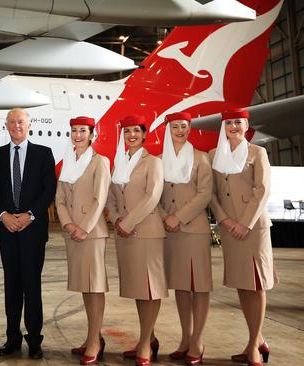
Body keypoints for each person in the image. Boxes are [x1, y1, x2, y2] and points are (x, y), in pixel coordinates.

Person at [209, 108, 274, 366]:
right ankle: (256, 341)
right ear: (223, 127)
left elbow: (263, 190)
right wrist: (224, 220)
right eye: (229, 122)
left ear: (246, 125)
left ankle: (254, 345)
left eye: (238, 122)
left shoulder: (258, 153)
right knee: (242, 284)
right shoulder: (215, 155)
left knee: (256, 284)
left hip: (253, 227)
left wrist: (245, 223)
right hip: (229, 227)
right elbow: (211, 194)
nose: (233, 126)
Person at [0, 108, 55, 359]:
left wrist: (30, 215)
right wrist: (3, 215)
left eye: (21, 122)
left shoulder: (43, 153)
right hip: (6, 228)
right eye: (12, 122)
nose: (16, 125)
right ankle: (12, 338)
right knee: (11, 286)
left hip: (33, 230)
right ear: (6, 126)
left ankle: (35, 340)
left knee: (32, 284)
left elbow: (48, 189)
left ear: (29, 125)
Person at [106, 115, 166, 366]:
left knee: (150, 289)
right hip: (125, 232)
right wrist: (117, 220)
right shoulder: (118, 163)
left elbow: (153, 195)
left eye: (136, 131)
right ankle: (149, 338)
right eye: (127, 130)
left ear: (144, 135)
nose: (131, 135)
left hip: (146, 231)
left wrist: (128, 223)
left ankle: (144, 344)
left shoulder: (153, 162)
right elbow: (110, 198)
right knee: (139, 289)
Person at [55, 116, 110, 365]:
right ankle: (92, 336)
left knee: (94, 287)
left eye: (83, 131)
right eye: (74, 130)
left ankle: (95, 342)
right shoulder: (69, 161)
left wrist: (84, 228)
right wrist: (68, 224)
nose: (78, 135)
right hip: (72, 232)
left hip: (91, 233)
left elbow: (100, 199)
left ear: (92, 134)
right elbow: (60, 199)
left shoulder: (100, 162)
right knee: (85, 287)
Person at [158, 112, 213, 365]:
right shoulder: (159, 160)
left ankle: (198, 340)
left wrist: (177, 217)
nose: (180, 130)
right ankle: (185, 338)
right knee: (181, 285)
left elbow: (204, 195)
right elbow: (153, 194)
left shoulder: (201, 159)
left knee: (199, 286)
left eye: (184, 126)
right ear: (167, 129)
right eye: (175, 126)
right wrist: (163, 216)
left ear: (189, 129)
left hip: (193, 229)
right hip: (169, 232)